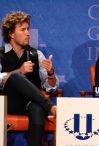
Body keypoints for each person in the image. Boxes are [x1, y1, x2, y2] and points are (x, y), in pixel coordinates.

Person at [0, 11, 59, 146]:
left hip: (30, 103)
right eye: (23, 30)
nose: (28, 33)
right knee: (15, 76)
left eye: (28, 29)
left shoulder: (36, 54)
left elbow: (49, 88)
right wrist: (18, 71)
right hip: (8, 103)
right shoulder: (1, 54)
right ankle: (50, 107)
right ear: (11, 34)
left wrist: (51, 74)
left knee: (37, 108)